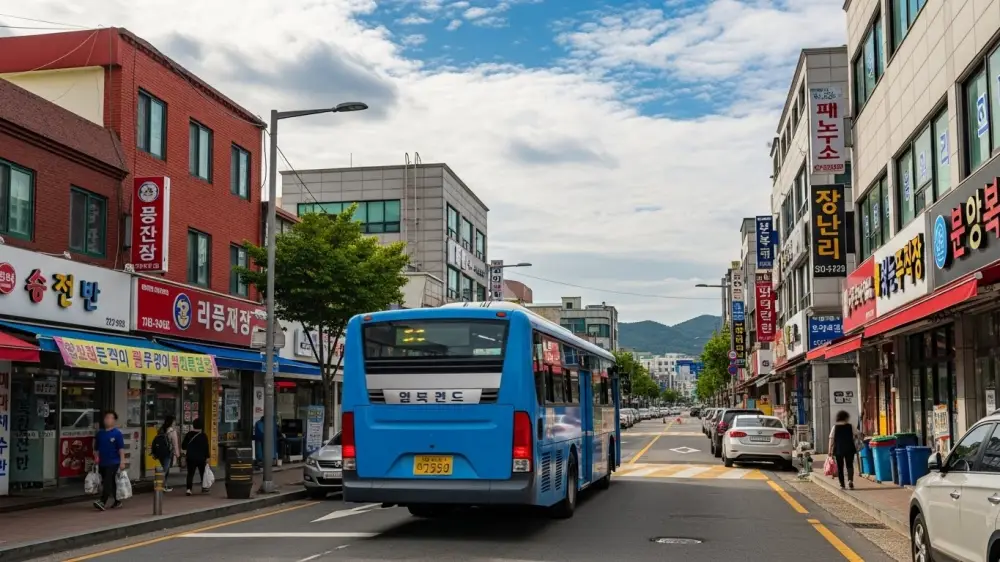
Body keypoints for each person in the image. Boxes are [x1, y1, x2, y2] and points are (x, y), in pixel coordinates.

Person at [92, 410, 126, 511]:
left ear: (114, 420)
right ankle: (117, 501)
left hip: (113, 462)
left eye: (110, 418)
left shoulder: (117, 434)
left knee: (107, 481)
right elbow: (96, 448)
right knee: (111, 482)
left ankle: (102, 501)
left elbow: (121, 449)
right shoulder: (100, 434)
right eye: (106, 418)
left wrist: (122, 461)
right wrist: (96, 457)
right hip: (103, 462)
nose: (107, 420)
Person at [828, 410, 861, 490]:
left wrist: (829, 450)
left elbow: (831, 439)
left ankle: (842, 484)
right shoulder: (850, 426)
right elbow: (857, 434)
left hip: (839, 449)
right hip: (850, 448)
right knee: (849, 465)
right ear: (846, 418)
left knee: (840, 467)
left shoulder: (835, 427)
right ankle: (850, 480)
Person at [181, 418, 211, 495]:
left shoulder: (189, 434)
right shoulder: (204, 436)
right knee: (202, 473)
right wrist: (207, 457)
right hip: (201, 458)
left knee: (190, 474)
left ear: (193, 425)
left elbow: (183, 446)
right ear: (201, 426)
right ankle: (204, 487)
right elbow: (206, 447)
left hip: (191, 458)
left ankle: (188, 489)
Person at [156, 416, 180, 492]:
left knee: (165, 468)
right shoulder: (172, 431)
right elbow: (175, 443)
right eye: (174, 421)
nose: (175, 423)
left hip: (160, 452)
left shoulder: (161, 429)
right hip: (168, 452)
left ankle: (164, 485)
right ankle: (160, 486)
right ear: (171, 422)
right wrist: (177, 454)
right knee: (165, 470)